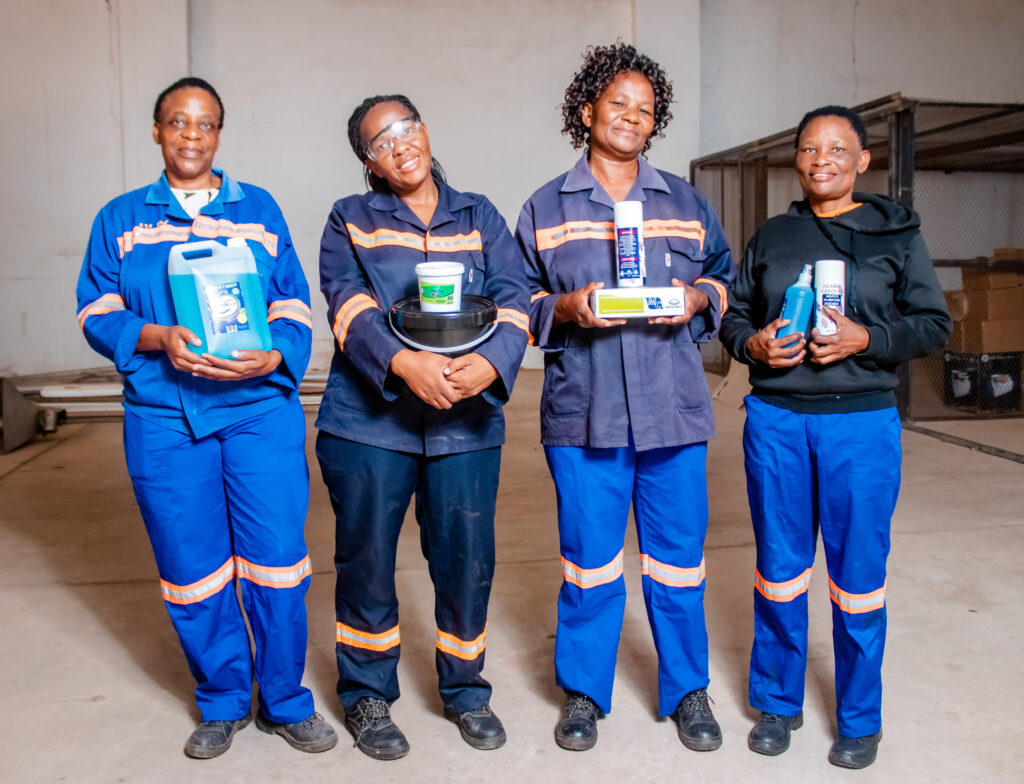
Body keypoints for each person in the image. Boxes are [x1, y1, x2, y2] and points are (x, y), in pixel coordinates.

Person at [75, 77, 336, 759]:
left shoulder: (258, 209)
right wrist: (157, 339)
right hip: (164, 417)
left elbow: (291, 299)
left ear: (220, 134)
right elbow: (96, 311)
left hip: (257, 412)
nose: (192, 135)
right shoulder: (122, 218)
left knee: (278, 562)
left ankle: (284, 700)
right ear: (157, 131)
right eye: (177, 122)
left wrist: (275, 356)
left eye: (206, 124)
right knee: (192, 567)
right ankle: (222, 699)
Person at [515, 43, 734, 752]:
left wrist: (697, 297)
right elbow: (517, 302)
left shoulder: (687, 202)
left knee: (678, 560)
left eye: (645, 110)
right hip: (586, 414)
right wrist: (569, 308)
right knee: (590, 561)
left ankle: (688, 689)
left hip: (672, 410)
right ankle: (584, 691)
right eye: (618, 105)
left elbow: (725, 282)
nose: (631, 118)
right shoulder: (546, 206)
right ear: (587, 112)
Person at [719, 105, 952, 769]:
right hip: (778, 422)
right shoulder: (774, 235)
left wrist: (867, 339)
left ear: (862, 160)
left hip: (860, 426)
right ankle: (777, 702)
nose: (822, 159)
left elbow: (934, 326)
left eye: (837, 149)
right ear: (796, 160)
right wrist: (756, 343)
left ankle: (859, 717)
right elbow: (734, 319)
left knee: (858, 580)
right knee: (780, 573)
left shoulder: (895, 235)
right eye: (810, 149)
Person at [316, 94, 530, 760]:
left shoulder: (480, 214)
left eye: (405, 128)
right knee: (368, 562)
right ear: (370, 164)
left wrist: (486, 367)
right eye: (380, 141)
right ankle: (367, 695)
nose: (398, 144)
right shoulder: (350, 218)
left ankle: (466, 691)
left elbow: (517, 296)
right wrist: (405, 364)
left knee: (467, 561)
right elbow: (347, 306)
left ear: (427, 131)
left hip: (465, 421)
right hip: (369, 424)